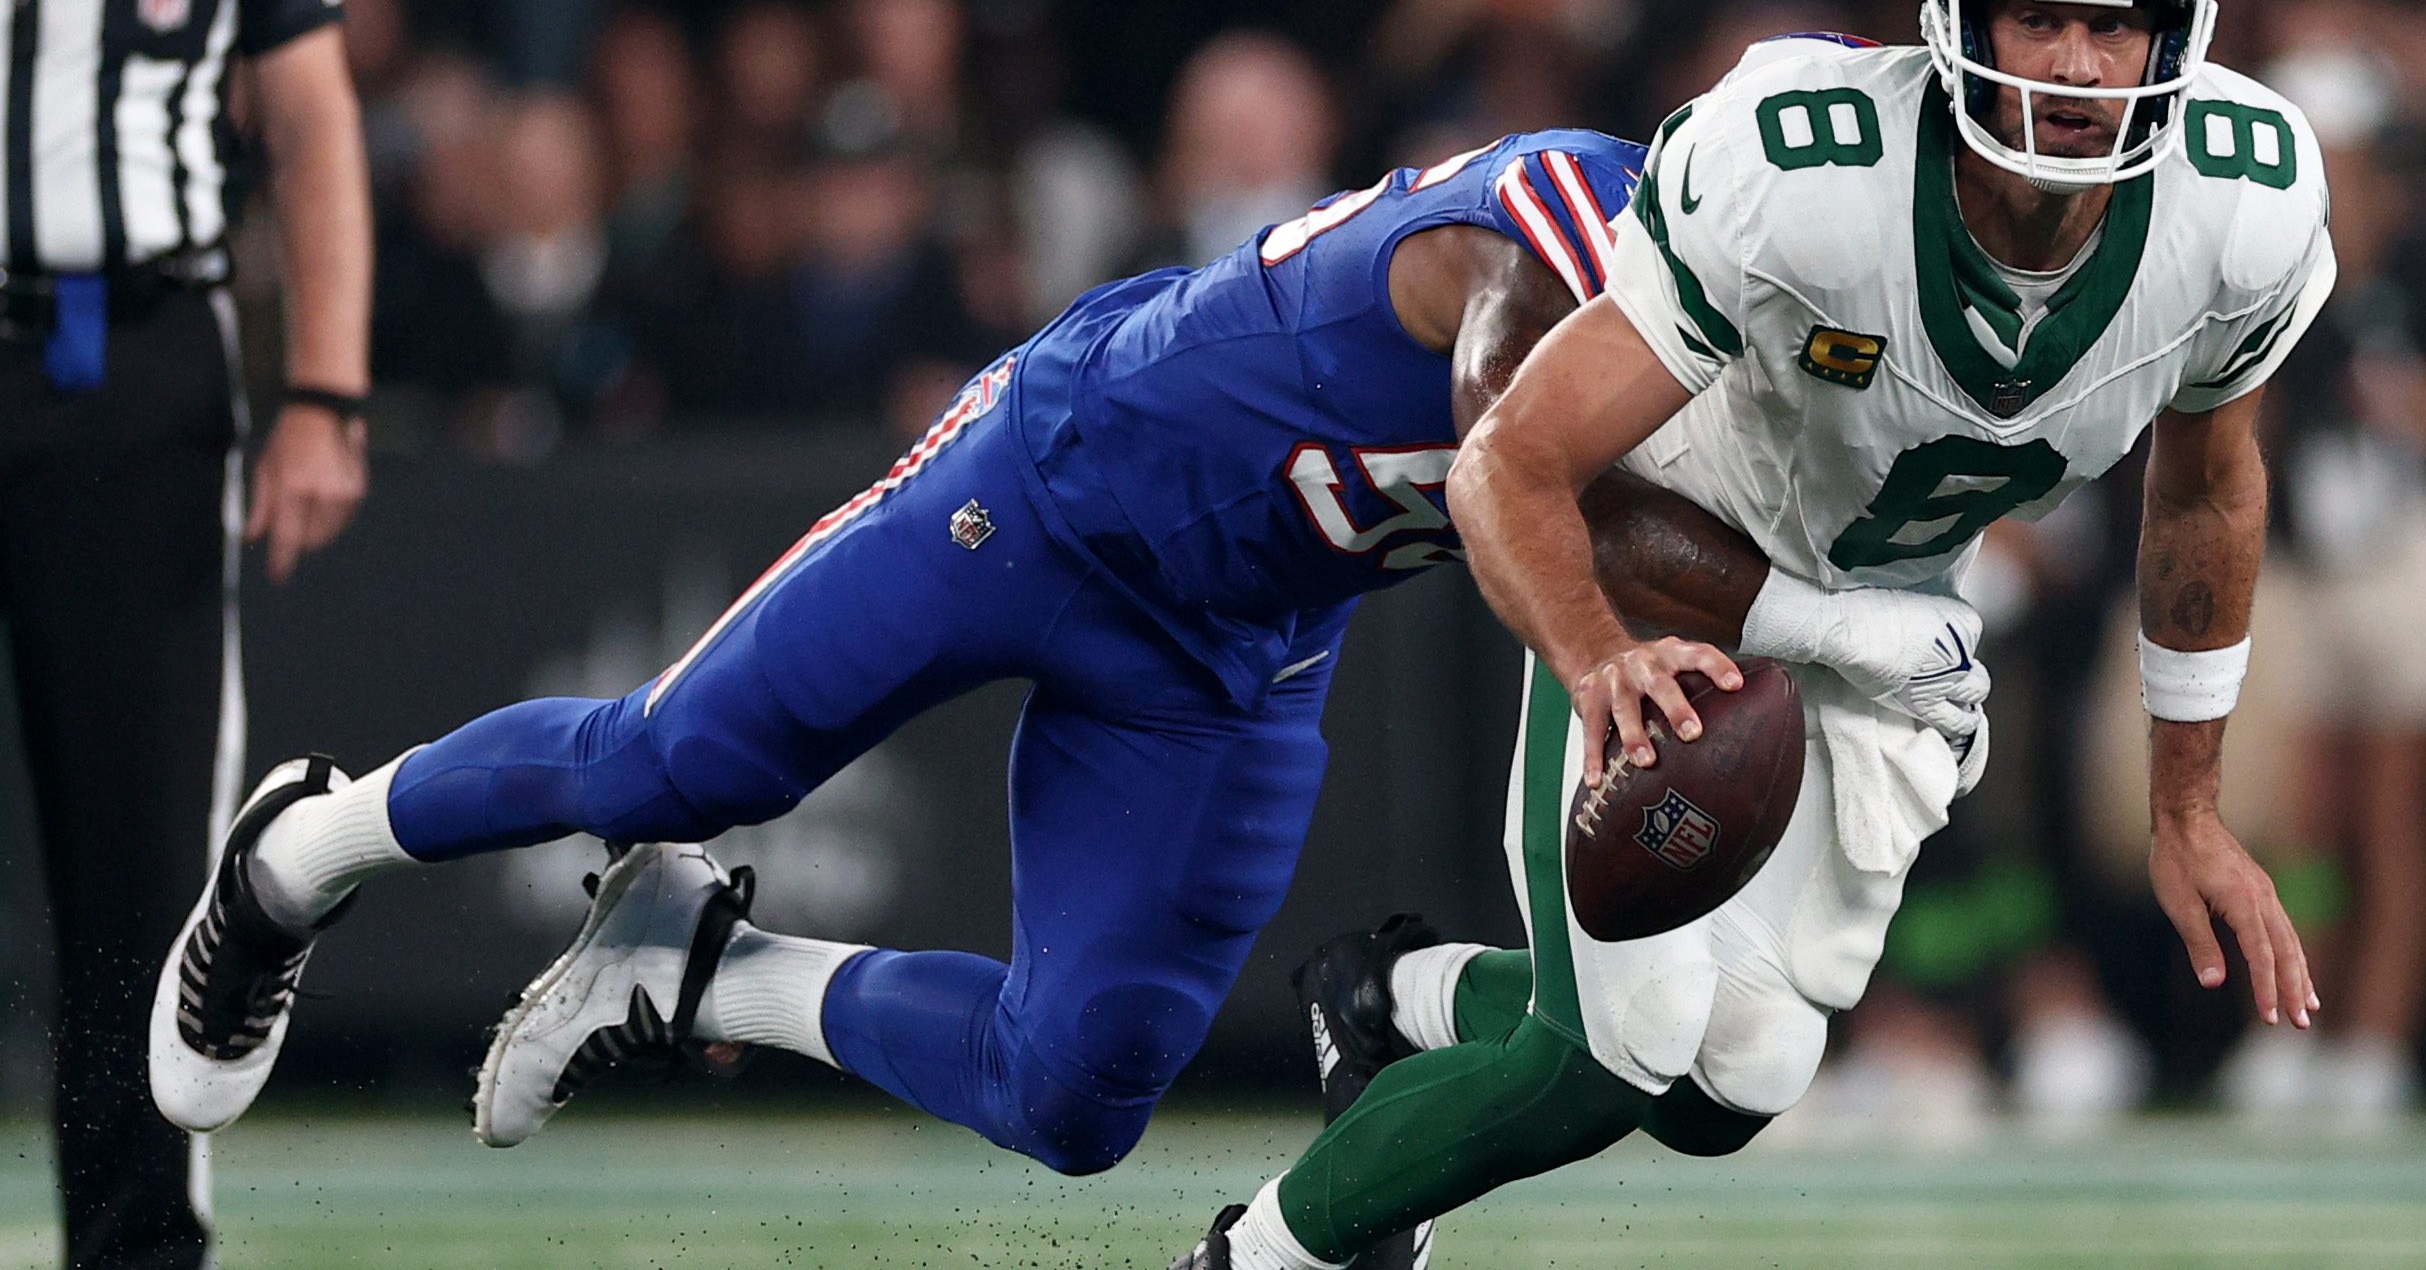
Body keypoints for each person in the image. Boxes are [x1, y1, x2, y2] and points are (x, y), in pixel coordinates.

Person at [146, 120, 1988, 1183]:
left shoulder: (1783, 357)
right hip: (1047, 490)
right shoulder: (1562, 226)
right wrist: (1820, 622)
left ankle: (690, 976)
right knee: (669, 764)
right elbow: (1530, 460)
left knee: (1081, 1091)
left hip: (1238, 640)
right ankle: (304, 849)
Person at [1176, 0, 2329, 1269]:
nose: (2080, 70)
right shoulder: (1806, 168)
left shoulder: (2241, 203)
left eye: (2118, 26)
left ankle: (1389, 995)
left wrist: (2185, 800)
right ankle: (1251, 1257)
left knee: (1738, 1084)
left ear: (2183, 37)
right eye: (2038, 20)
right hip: (1679, 563)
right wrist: (1601, 659)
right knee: (1603, 1060)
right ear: (1951, 16)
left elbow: (2207, 486)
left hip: (1899, 605)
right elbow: (1512, 464)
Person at [0, 0, 370, 1266]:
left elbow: (310, 119)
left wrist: (324, 393)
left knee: (139, 848)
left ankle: (141, 1250)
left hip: (125, 359)